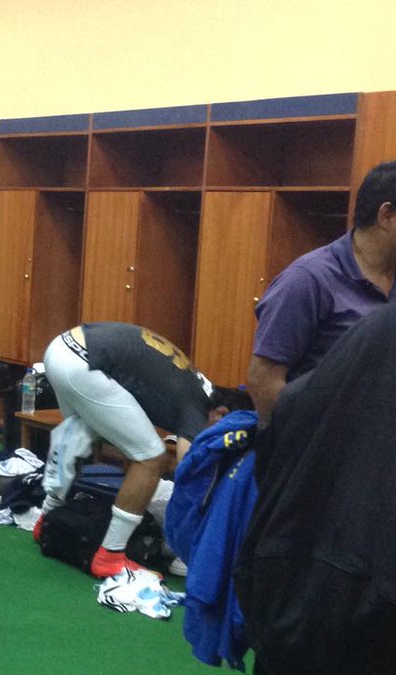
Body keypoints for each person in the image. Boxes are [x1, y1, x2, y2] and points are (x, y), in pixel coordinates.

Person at [236, 301, 396, 674]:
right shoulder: (311, 282)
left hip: (296, 572)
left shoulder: (373, 329)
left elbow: (288, 411)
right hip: (355, 593)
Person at [35, 322, 223, 577]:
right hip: (83, 362)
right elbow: (192, 476)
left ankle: (46, 517)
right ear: (220, 413)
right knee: (150, 458)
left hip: (60, 347)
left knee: (78, 430)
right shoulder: (201, 410)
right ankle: (110, 556)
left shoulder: (199, 384)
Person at [247, 161, 396, 425]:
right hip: (319, 453)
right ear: (386, 216)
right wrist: (295, 448)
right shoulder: (309, 279)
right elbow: (264, 379)